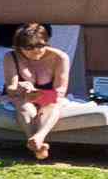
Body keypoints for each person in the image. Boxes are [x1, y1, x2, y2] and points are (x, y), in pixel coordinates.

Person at [7, 20, 73, 162]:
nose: (36, 50)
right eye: (29, 47)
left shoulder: (60, 58)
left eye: (40, 45)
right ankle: (38, 146)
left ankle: (38, 138)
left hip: (50, 96)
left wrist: (40, 95)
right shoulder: (11, 57)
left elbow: (60, 91)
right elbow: (10, 89)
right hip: (23, 96)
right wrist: (20, 87)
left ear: (47, 42)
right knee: (24, 106)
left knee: (52, 105)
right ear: (19, 47)